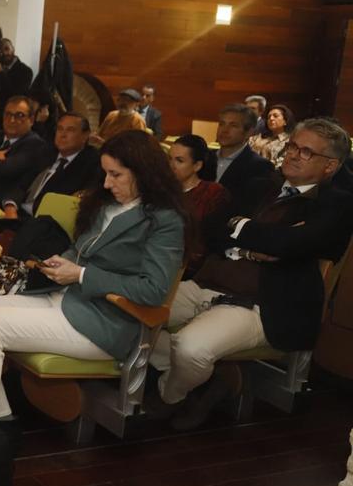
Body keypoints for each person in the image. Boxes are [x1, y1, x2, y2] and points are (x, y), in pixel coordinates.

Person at [0, 130, 186, 426]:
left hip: (108, 322)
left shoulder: (165, 221)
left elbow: (153, 290)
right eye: (106, 174)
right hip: (72, 301)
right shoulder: (109, 205)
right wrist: (64, 262)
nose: (108, 183)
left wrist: (82, 273)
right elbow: (81, 251)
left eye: (116, 175)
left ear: (144, 172)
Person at [150, 119, 353, 430]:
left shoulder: (337, 204)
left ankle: (170, 396)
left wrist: (242, 226)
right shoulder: (261, 184)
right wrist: (253, 243)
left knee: (190, 349)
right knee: (132, 318)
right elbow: (212, 229)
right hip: (207, 282)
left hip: (262, 302)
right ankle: (216, 377)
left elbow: (289, 244)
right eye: (293, 146)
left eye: (307, 152)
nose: (294, 155)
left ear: (330, 166)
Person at [2, 112, 100, 219]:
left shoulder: (91, 163)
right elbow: (22, 183)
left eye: (70, 130)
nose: (62, 135)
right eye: (60, 129)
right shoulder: (45, 152)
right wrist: (10, 206)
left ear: (85, 136)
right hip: (18, 213)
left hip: (47, 223)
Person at [168, 134, 231, 277]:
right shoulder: (162, 190)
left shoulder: (213, 193)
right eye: (169, 159)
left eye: (179, 161)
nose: (171, 166)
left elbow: (211, 240)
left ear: (197, 165)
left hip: (192, 267)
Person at [200, 103, 273, 208]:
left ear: (249, 132)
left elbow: (249, 208)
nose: (224, 130)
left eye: (233, 125)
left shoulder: (260, 167)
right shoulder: (204, 158)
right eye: (222, 124)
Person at [248, 103, 295, 168]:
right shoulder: (258, 137)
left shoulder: (289, 140)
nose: (271, 118)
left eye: (275, 116)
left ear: (285, 121)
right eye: (268, 117)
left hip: (270, 174)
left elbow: (282, 163)